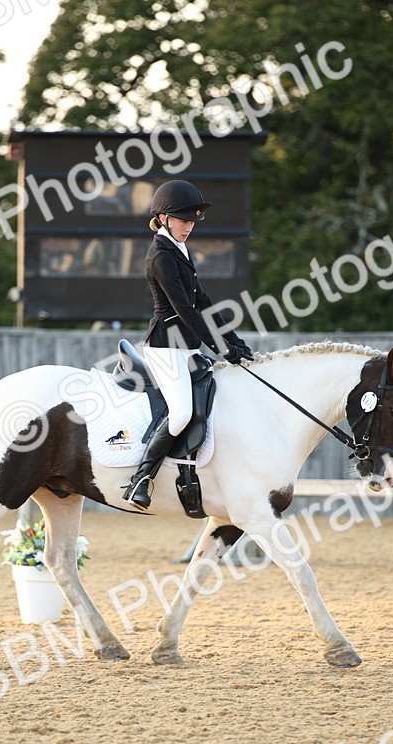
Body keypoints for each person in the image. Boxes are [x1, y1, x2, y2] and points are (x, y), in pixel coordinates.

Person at [122, 180, 254, 510]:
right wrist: (221, 349)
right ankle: (142, 478)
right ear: (164, 218)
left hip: (188, 345)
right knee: (181, 413)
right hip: (167, 346)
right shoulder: (160, 256)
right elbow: (184, 311)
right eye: (184, 220)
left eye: (193, 220)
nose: (189, 226)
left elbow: (203, 302)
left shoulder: (179, 248)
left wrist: (234, 340)